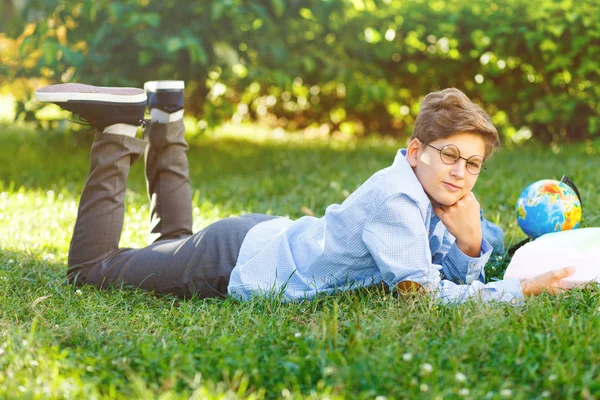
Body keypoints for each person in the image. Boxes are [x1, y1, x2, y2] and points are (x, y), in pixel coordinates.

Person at [34, 83, 574, 304]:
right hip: (235, 262)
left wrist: (473, 241)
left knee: (174, 239)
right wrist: (515, 291)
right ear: (416, 151)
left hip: (259, 237)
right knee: (92, 271)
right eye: (449, 155)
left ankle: (167, 115)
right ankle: (115, 130)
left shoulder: (435, 195)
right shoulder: (399, 200)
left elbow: (455, 268)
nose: (460, 173)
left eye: (473, 164)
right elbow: (421, 294)